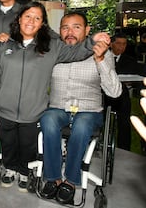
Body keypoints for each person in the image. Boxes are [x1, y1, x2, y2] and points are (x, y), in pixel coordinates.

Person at [0, 1, 110, 192]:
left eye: (37, 18)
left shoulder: (52, 47)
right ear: (19, 19)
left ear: (42, 23)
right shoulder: (3, 45)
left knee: (28, 144)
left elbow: (75, 52)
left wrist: (92, 41)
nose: (31, 21)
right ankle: (9, 168)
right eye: (27, 16)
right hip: (5, 108)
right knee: (8, 142)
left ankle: (26, 171)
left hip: (33, 110)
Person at [39, 12, 122, 204]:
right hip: (58, 107)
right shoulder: (53, 52)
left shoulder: (102, 53)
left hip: (89, 111)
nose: (70, 32)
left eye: (76, 27)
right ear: (59, 31)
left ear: (87, 30)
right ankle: (53, 178)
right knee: (48, 119)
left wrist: (100, 60)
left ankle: (70, 180)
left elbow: (115, 93)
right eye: (65, 27)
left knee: (82, 124)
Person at [105, 33, 146, 151]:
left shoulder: (130, 60)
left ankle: (124, 149)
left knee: (124, 122)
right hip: (104, 97)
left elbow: (138, 75)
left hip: (122, 97)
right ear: (111, 44)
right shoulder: (103, 57)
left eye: (124, 44)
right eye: (118, 43)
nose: (121, 47)